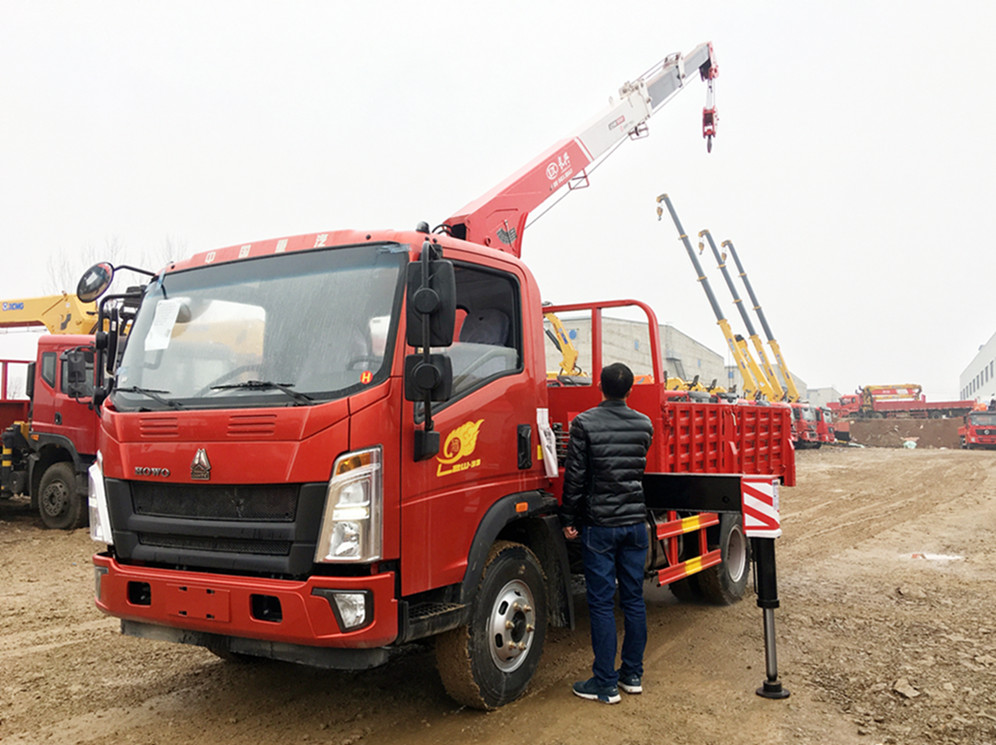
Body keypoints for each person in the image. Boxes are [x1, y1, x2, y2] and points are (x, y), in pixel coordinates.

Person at [560, 362, 654, 704]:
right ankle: (632, 675)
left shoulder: (584, 423)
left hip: (600, 527)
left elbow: (576, 477)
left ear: (599, 387)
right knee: (633, 600)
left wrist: (568, 517)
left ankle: (604, 684)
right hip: (634, 524)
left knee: (600, 603)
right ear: (630, 390)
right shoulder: (645, 425)